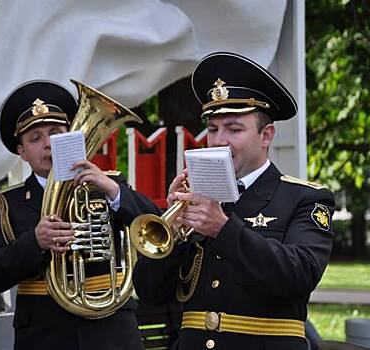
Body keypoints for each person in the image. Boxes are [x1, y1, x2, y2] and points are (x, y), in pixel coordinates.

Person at [132, 52, 335, 349]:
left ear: (266, 135)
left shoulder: (304, 197)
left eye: (234, 129)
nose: (218, 141)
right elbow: (150, 293)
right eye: (213, 129)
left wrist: (223, 229)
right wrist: (172, 232)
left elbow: (300, 275)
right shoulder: (198, 197)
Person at [0, 79, 159, 350]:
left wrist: (114, 191)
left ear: (72, 136)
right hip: (46, 333)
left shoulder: (106, 185)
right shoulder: (6, 204)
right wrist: (34, 241)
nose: (48, 144)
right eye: (35, 138)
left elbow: (156, 228)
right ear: (21, 151)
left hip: (111, 330)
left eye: (56, 132)